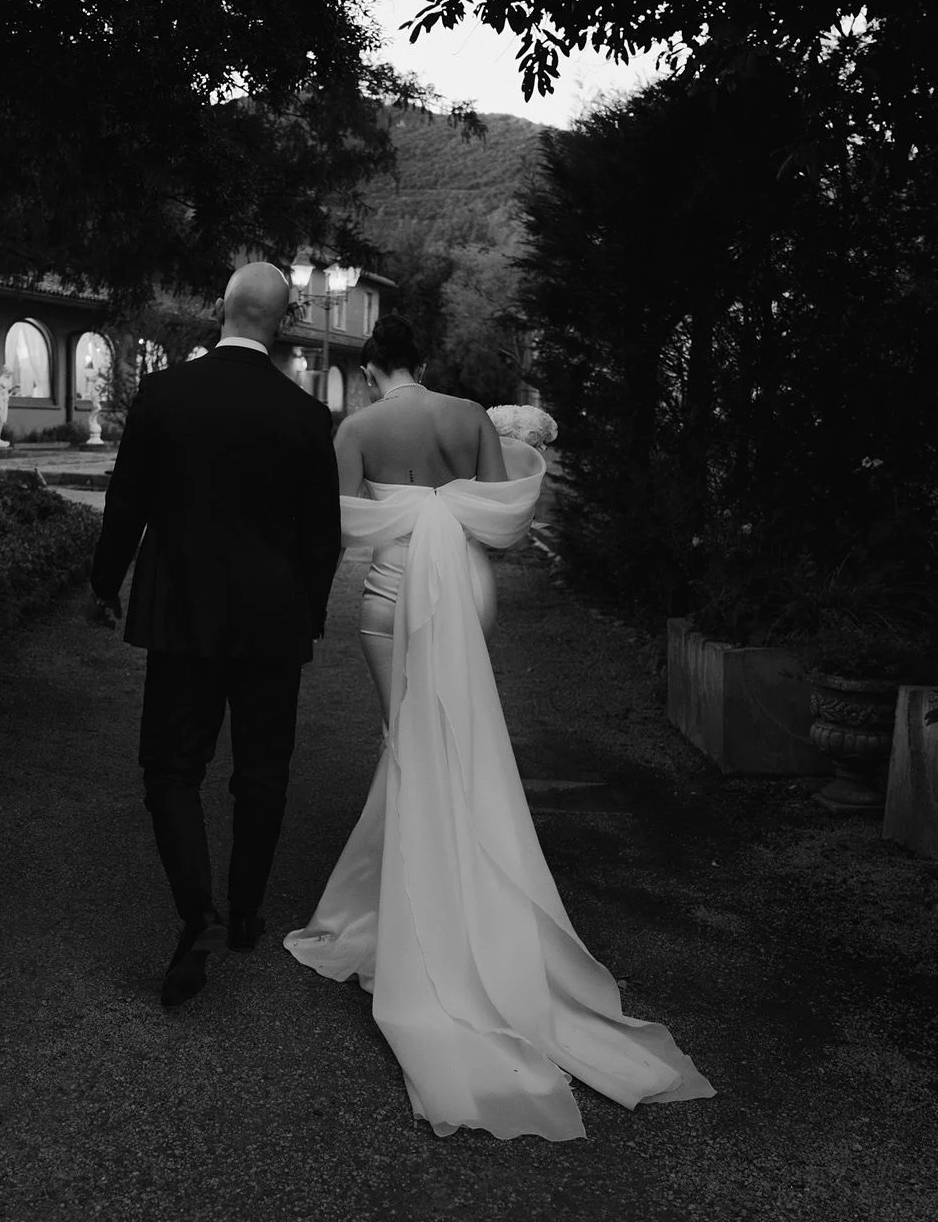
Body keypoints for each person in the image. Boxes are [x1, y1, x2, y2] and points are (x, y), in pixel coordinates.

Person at [285, 315, 714, 1139]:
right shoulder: (471, 417)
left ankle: (419, 914)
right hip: (469, 590)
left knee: (405, 743)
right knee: (454, 738)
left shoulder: (360, 426)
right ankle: (462, 886)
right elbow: (499, 525)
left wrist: (403, 518)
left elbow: (335, 524)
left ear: (374, 368)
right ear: (424, 361)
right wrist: (453, 514)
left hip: (393, 593)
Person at [90, 263, 340, 1008]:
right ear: (282, 319)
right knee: (262, 773)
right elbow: (322, 538)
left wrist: (104, 584)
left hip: (183, 614)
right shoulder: (304, 415)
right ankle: (245, 913)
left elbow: (126, 500)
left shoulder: (166, 395)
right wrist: (310, 611)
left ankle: (195, 908)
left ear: (221, 311)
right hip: (272, 618)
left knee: (171, 764)